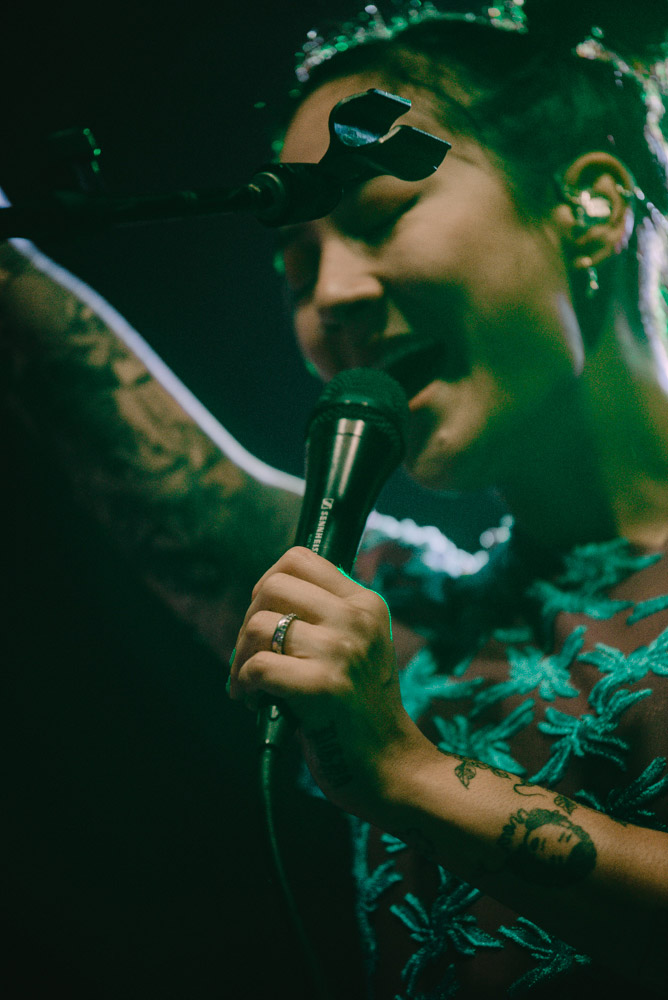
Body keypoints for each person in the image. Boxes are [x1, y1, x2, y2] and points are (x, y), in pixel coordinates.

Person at [2, 1, 667, 997]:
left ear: (588, 207)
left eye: (376, 215)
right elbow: (112, 426)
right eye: (294, 264)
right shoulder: (407, 621)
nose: (328, 303)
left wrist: (404, 772)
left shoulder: (388, 684)